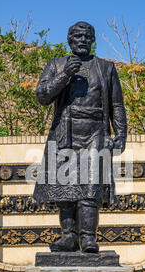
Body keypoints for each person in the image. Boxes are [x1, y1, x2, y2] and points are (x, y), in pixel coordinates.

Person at [33, 21, 127, 253]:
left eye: (88, 36)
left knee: (90, 188)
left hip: (96, 132)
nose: (83, 40)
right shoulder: (56, 65)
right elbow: (43, 96)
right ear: (69, 40)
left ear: (93, 40)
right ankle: (68, 236)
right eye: (78, 36)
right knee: (65, 189)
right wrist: (65, 74)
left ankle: (87, 238)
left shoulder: (106, 68)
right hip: (66, 133)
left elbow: (117, 105)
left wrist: (121, 134)